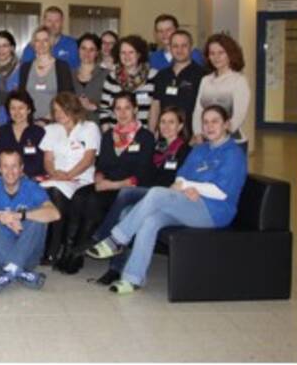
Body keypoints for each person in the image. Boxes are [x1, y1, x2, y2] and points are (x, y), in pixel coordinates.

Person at [86, 105, 247, 294]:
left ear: (226, 125)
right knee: (150, 221)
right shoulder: (200, 149)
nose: (209, 126)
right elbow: (181, 176)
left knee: (156, 193)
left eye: (215, 122)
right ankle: (132, 278)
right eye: (205, 122)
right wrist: (185, 186)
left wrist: (191, 187)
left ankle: (117, 239)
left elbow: (221, 192)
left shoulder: (233, 153)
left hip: (214, 211)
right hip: (188, 203)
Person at [87, 105, 192, 286]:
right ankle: (115, 269)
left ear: (180, 126)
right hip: (148, 193)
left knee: (126, 193)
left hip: (166, 197)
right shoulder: (157, 147)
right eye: (163, 122)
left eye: (171, 122)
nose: (166, 126)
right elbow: (146, 173)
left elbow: (179, 182)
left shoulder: (185, 151)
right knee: (124, 212)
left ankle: (102, 236)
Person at [66, 92, 155, 266]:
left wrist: (110, 185)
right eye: (118, 109)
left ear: (136, 109)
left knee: (93, 201)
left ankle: (81, 250)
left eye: (127, 108)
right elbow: (101, 166)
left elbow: (142, 174)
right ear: (113, 112)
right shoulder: (108, 136)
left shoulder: (146, 137)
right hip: (107, 184)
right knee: (79, 196)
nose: (122, 113)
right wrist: (99, 178)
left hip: (128, 188)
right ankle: (70, 250)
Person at [0, 150, 61, 294]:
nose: (10, 171)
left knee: (38, 219)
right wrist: (1, 217)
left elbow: (54, 213)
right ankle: (19, 271)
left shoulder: (32, 187)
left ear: (21, 168)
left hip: (28, 257)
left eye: (14, 166)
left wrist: (19, 216)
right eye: (5, 166)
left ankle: (11, 270)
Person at [38, 92, 101, 274]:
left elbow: (88, 159)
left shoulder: (89, 128)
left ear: (72, 108)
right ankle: (50, 246)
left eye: (62, 109)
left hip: (81, 179)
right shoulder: (51, 129)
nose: (58, 114)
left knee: (56, 193)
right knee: (47, 191)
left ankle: (53, 248)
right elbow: (48, 159)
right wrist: (54, 173)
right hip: (57, 178)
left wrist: (69, 175)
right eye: (55, 111)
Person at [191, 33, 251, 152]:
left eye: (221, 52)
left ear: (230, 54)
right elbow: (198, 110)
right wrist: (198, 133)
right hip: (206, 140)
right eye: (212, 53)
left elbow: (239, 115)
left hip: (231, 141)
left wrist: (220, 135)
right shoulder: (205, 80)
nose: (216, 57)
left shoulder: (239, 80)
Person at [148, 29, 204, 134]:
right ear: (170, 48)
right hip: (165, 136)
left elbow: (205, 108)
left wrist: (199, 134)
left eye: (184, 46)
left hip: (192, 136)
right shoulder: (162, 75)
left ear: (191, 47)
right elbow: (155, 106)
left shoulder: (202, 75)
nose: (179, 50)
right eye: (175, 46)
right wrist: (151, 133)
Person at [17, 26, 73, 124]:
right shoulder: (25, 68)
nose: (41, 44)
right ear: (33, 44)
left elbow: (67, 99)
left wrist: (45, 120)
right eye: (37, 41)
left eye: (45, 40)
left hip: (55, 122)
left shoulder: (62, 67)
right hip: (29, 123)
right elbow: (21, 98)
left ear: (51, 42)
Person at [99, 35, 155, 130]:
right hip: (116, 134)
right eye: (123, 53)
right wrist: (107, 134)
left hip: (144, 134)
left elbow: (157, 109)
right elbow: (104, 110)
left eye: (131, 52)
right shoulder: (111, 77)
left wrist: (150, 135)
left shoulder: (153, 76)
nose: (126, 56)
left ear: (139, 54)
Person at [0, 90, 46, 179]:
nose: (17, 112)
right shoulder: (3, 132)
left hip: (31, 179)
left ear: (29, 110)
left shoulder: (38, 132)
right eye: (13, 108)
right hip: (7, 179)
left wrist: (22, 174)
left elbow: (41, 163)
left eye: (21, 108)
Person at [72, 33, 108, 125]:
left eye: (91, 49)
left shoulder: (106, 75)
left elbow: (114, 106)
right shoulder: (69, 75)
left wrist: (94, 107)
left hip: (99, 126)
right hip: (74, 127)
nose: (86, 53)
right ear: (78, 50)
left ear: (97, 53)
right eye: (83, 48)